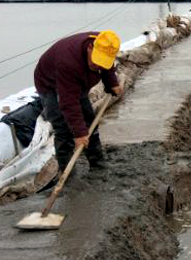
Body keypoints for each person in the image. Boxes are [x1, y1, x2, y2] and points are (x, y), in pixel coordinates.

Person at [34, 30, 124, 173]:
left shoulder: (106, 43)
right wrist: (80, 134)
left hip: (76, 80)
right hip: (49, 84)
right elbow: (69, 103)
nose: (98, 66)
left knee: (89, 122)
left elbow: (107, 65)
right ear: (90, 48)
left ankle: (98, 165)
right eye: (96, 61)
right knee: (63, 128)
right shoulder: (68, 62)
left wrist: (111, 83)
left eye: (101, 63)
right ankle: (68, 174)